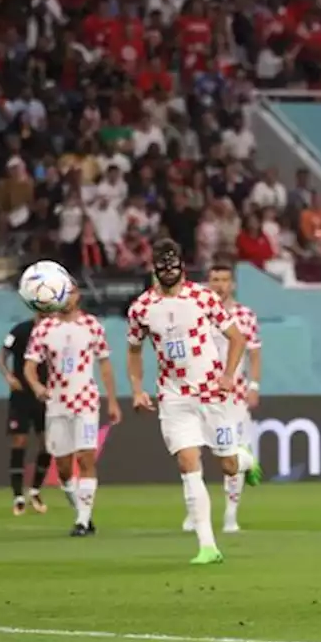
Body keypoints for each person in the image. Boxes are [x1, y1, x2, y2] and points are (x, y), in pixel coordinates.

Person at [126, 239, 258, 565]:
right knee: (188, 463)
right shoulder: (141, 309)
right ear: (155, 268)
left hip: (212, 392)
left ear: (182, 265)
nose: (168, 270)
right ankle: (208, 546)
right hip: (173, 395)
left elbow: (237, 339)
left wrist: (229, 376)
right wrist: (137, 389)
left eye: (173, 264)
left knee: (226, 464)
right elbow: (133, 350)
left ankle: (245, 461)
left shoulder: (203, 297)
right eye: (162, 265)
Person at [23, 286, 122, 536]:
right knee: (64, 468)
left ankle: (82, 520)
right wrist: (36, 386)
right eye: (63, 293)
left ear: (79, 296)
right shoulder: (44, 328)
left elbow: (105, 364)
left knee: (86, 459)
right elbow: (29, 367)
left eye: (72, 292)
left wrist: (112, 400)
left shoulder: (92, 325)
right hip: (56, 403)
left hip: (86, 401)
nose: (68, 298)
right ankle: (83, 515)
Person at [186, 262, 265, 534]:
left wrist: (253, 385)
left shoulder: (245, 316)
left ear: (232, 285)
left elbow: (254, 353)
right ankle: (194, 511)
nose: (219, 284)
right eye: (214, 279)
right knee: (191, 450)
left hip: (232, 397)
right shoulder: (197, 314)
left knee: (229, 457)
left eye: (224, 279)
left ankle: (231, 515)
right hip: (198, 393)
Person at [0, 314, 56, 515]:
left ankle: (35, 490)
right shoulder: (21, 329)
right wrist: (8, 376)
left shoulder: (55, 331)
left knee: (47, 444)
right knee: (19, 441)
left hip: (45, 396)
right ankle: (18, 496)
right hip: (21, 395)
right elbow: (1, 356)